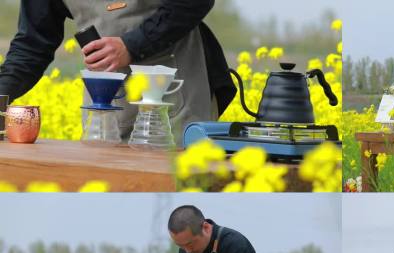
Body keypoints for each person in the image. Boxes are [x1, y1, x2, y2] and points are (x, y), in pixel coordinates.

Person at [0, 1, 237, 145]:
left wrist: (132, 46)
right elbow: (32, 45)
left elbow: (192, 4)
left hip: (176, 94)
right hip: (103, 99)